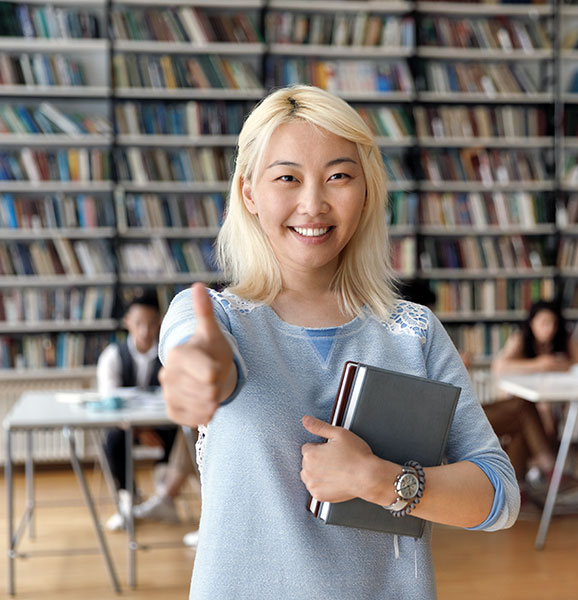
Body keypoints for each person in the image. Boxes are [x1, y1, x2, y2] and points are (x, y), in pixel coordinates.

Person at [157, 85, 519, 599]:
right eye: (287, 177)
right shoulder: (218, 320)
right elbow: (198, 355)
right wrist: (198, 370)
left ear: (366, 190)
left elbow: (498, 496)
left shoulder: (412, 332)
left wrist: (381, 481)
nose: (313, 203)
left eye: (339, 176)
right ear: (249, 193)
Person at [97, 291, 193, 530]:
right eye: (139, 323)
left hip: (162, 424)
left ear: (160, 322)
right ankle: (127, 499)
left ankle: (163, 495)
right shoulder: (113, 355)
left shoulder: (170, 354)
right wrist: (140, 431)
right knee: (114, 440)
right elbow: (109, 398)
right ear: (128, 322)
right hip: (128, 427)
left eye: (151, 323)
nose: (145, 330)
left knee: (181, 435)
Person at [488, 300, 578, 486]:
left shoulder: (562, 339)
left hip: (548, 401)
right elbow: (499, 366)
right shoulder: (522, 339)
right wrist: (540, 364)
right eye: (544, 323)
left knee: (539, 415)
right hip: (525, 401)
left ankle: (522, 485)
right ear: (532, 323)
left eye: (553, 323)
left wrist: (565, 365)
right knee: (530, 410)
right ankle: (549, 469)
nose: (549, 328)